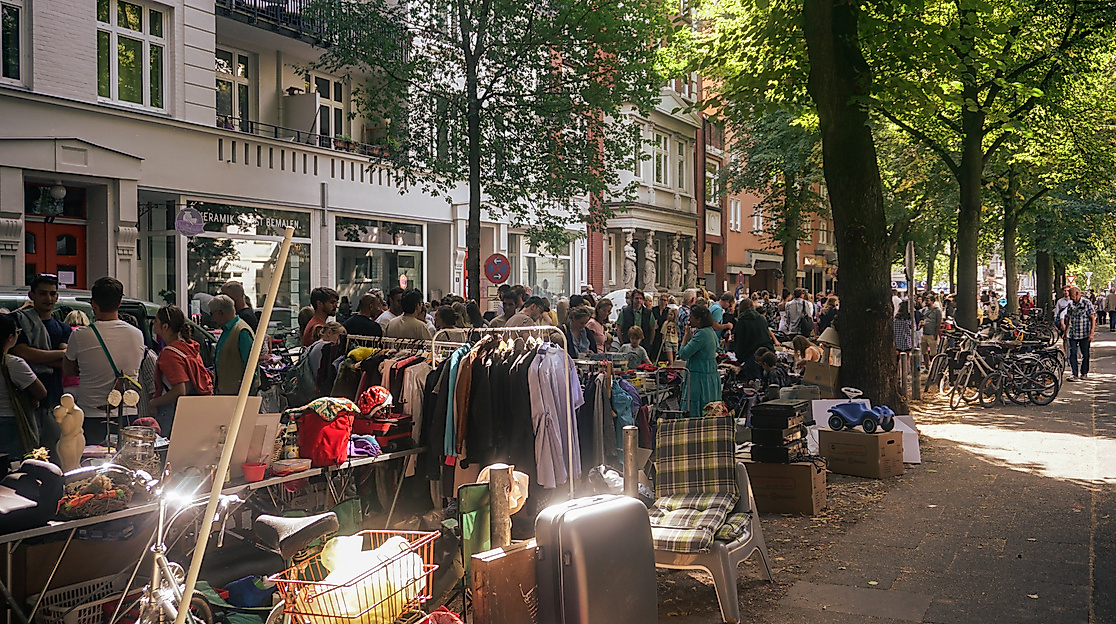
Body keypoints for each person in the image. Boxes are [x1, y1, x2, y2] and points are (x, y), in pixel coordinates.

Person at [63, 277, 145, 443]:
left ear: (93, 304)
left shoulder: (80, 335)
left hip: (91, 414)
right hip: (127, 412)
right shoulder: (137, 334)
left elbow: (68, 370)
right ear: (120, 302)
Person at [12, 274, 71, 434]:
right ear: (32, 295)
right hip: (21, 400)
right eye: (43, 293)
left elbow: (66, 359)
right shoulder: (19, 322)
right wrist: (57, 354)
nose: (48, 298)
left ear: (57, 296)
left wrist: (36, 356)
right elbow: (20, 353)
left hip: (54, 401)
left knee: (54, 450)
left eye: (52, 294)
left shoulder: (63, 328)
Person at [148, 305, 213, 436]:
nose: (153, 323)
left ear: (165, 327)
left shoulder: (169, 354)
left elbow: (179, 390)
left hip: (172, 413)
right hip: (194, 411)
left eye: (156, 320)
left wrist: (153, 402)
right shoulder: (189, 347)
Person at [0, 315, 47, 460]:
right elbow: (41, 391)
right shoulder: (13, 364)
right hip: (10, 422)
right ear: (10, 337)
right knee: (12, 466)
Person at [208, 294, 259, 396]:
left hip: (238, 395)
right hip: (226, 393)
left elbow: (250, 366)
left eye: (211, 314)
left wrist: (245, 394)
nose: (212, 318)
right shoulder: (227, 330)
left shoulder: (242, 331)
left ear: (220, 313)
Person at [678, 305, 721, 416]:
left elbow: (683, 354)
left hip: (698, 378)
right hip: (710, 375)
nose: (689, 320)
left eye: (691, 317)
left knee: (696, 409)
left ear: (699, 319)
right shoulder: (711, 332)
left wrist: (686, 337)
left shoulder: (701, 334)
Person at [733, 298, 776, 381]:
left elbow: (740, 341)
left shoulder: (741, 321)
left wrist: (739, 357)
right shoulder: (761, 319)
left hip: (751, 355)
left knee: (754, 384)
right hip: (767, 352)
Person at [1063, 286, 1096, 380]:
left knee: (1085, 354)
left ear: (1077, 294)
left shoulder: (1086, 303)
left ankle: (1084, 373)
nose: (1070, 297)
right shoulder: (1070, 305)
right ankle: (1074, 374)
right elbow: (1068, 318)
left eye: (1072, 295)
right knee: (1072, 354)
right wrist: (1066, 332)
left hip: (1084, 333)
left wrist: (1091, 332)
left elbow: (1092, 318)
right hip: (1073, 333)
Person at [920, 294, 944, 358]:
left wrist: (936, 334)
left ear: (932, 301)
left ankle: (932, 365)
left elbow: (938, 323)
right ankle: (926, 366)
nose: (926, 302)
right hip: (924, 333)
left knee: (933, 352)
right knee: (924, 352)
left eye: (928, 300)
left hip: (932, 334)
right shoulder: (924, 310)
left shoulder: (937, 311)